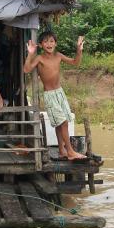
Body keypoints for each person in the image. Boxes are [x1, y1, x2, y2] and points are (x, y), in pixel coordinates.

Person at [23, 31, 86, 160]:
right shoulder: (39, 58)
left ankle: (62, 150)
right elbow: (26, 69)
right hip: (50, 95)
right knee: (63, 123)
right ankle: (70, 152)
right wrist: (30, 54)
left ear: (55, 43)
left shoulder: (58, 56)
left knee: (61, 123)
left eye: (51, 41)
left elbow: (75, 62)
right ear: (41, 45)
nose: (49, 44)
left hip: (60, 93)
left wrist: (79, 50)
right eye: (45, 41)